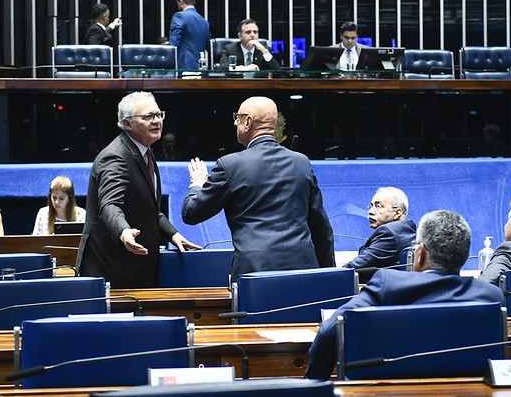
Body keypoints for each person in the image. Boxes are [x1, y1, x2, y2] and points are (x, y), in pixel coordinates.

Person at [305, 209, 505, 380]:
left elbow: (329, 331)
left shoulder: (388, 284)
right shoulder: (491, 296)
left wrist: (314, 384)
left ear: (422, 253)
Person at [182, 96, 334, 279]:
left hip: (255, 275)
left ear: (248, 121)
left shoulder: (230, 165)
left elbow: (191, 213)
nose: (235, 123)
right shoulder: (301, 162)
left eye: (237, 118)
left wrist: (196, 184)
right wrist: (328, 273)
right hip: (302, 269)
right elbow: (321, 227)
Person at [77, 91, 201, 288]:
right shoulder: (116, 157)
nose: (156, 121)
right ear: (127, 124)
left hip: (134, 270)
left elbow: (147, 207)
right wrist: (124, 231)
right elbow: (109, 205)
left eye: (158, 115)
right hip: (111, 273)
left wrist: (173, 234)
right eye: (148, 117)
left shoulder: (144, 151)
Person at [343, 187, 416, 271]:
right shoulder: (405, 231)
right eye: (371, 206)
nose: (370, 211)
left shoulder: (389, 234)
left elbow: (355, 266)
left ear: (397, 213)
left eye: (378, 206)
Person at [168, 0, 212, 70]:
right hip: (201, 66)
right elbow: (209, 45)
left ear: (181, 1)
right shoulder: (204, 21)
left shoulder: (179, 16)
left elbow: (174, 44)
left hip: (184, 65)